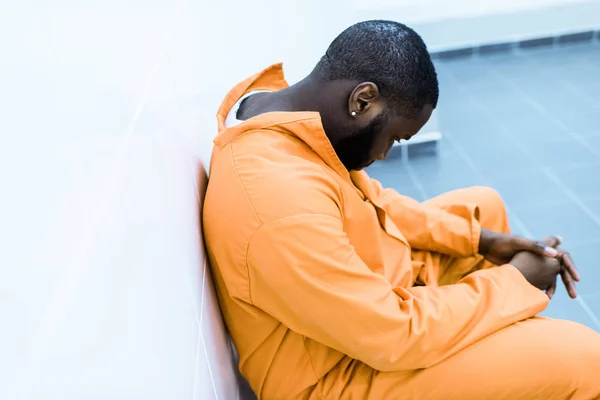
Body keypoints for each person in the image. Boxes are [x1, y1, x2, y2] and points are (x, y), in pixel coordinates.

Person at [203, 20, 600, 400]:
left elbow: (375, 201)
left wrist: (481, 240)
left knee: (483, 207)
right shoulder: (278, 202)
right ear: (362, 100)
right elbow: (393, 333)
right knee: (587, 359)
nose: (385, 154)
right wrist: (514, 282)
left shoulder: (281, 117)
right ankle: (534, 359)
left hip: (364, 306)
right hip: (339, 376)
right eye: (394, 137)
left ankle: (508, 358)